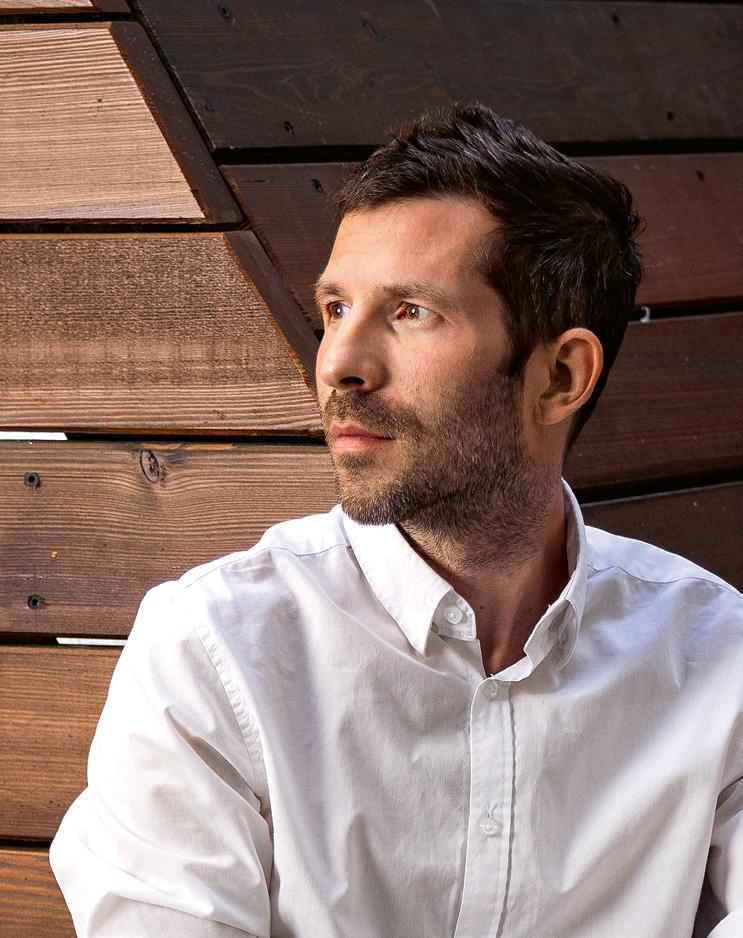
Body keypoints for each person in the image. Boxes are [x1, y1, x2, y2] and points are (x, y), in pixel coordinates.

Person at [50, 105, 741, 938]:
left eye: (411, 311)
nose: (339, 363)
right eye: (336, 308)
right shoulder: (213, 650)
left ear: (559, 376)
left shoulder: (717, 659)